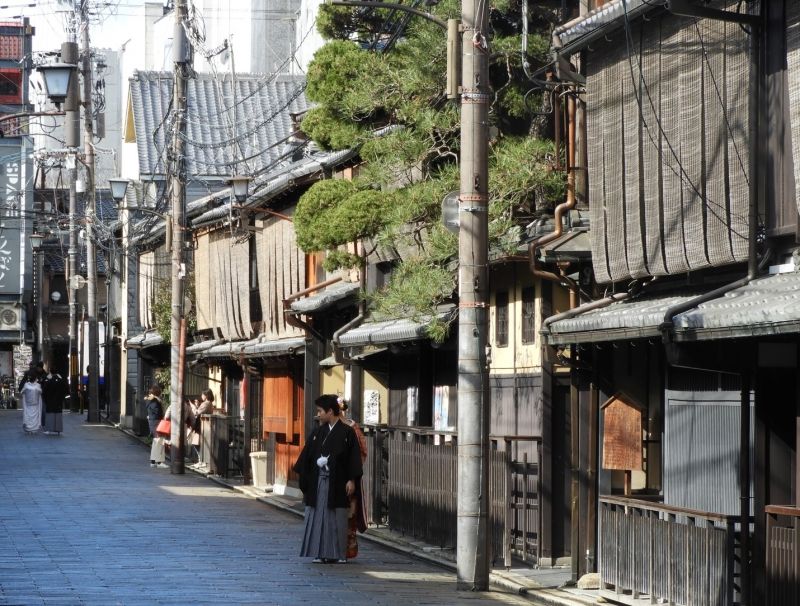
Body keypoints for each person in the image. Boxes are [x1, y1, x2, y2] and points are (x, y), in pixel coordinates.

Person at [293, 394, 363, 564]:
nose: (318, 414)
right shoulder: (318, 432)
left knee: (337, 517)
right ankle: (319, 552)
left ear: (330, 411)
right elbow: (306, 457)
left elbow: (354, 458)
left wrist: (351, 479)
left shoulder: (347, 432)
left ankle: (339, 554)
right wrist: (308, 477)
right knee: (317, 516)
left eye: (320, 411)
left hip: (338, 481)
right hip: (319, 481)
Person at [340, 401, 368, 559]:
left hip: (350, 476)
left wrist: (352, 472)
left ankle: (347, 548)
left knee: (350, 513)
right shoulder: (330, 426)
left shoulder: (352, 428)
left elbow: (361, 452)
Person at [41, 364, 68, 435]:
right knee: (58, 414)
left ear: (50, 371)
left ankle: (49, 429)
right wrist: (62, 397)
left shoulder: (49, 379)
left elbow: (44, 389)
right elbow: (65, 388)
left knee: (50, 414)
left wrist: (45, 399)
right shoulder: (60, 378)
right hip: (58, 400)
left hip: (50, 400)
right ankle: (58, 429)